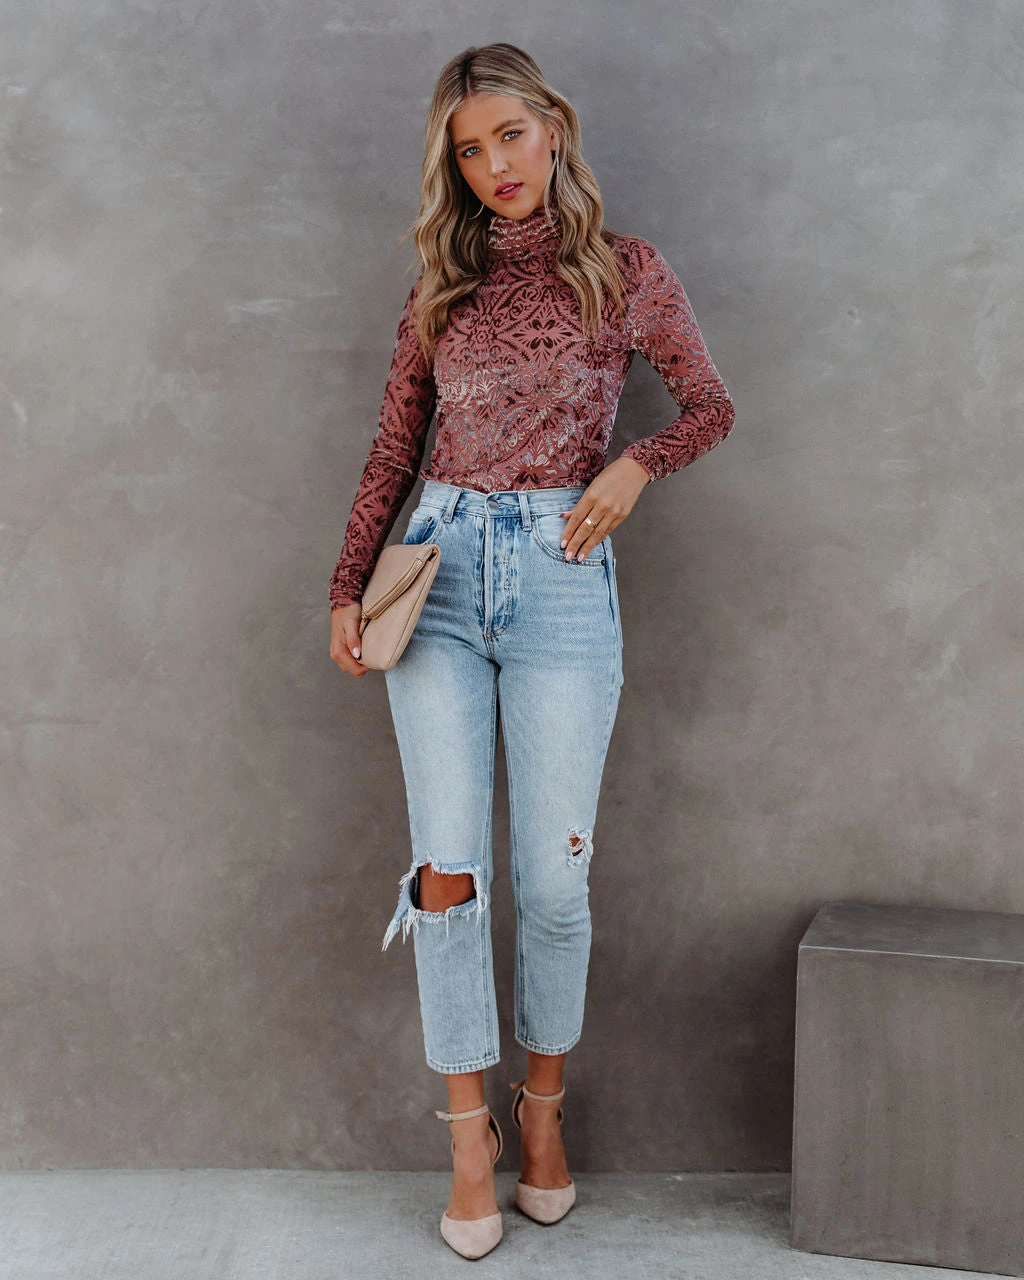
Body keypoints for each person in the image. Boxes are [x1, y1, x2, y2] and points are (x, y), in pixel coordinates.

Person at [328, 42, 735, 1260]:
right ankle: (468, 1141)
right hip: (438, 571)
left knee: (553, 881)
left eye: (509, 134)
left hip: (561, 573)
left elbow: (708, 405)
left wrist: (633, 464)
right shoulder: (441, 287)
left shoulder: (626, 271)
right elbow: (393, 448)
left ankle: (540, 1108)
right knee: (447, 872)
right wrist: (346, 586)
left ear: (552, 128)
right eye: (470, 150)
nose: (495, 164)